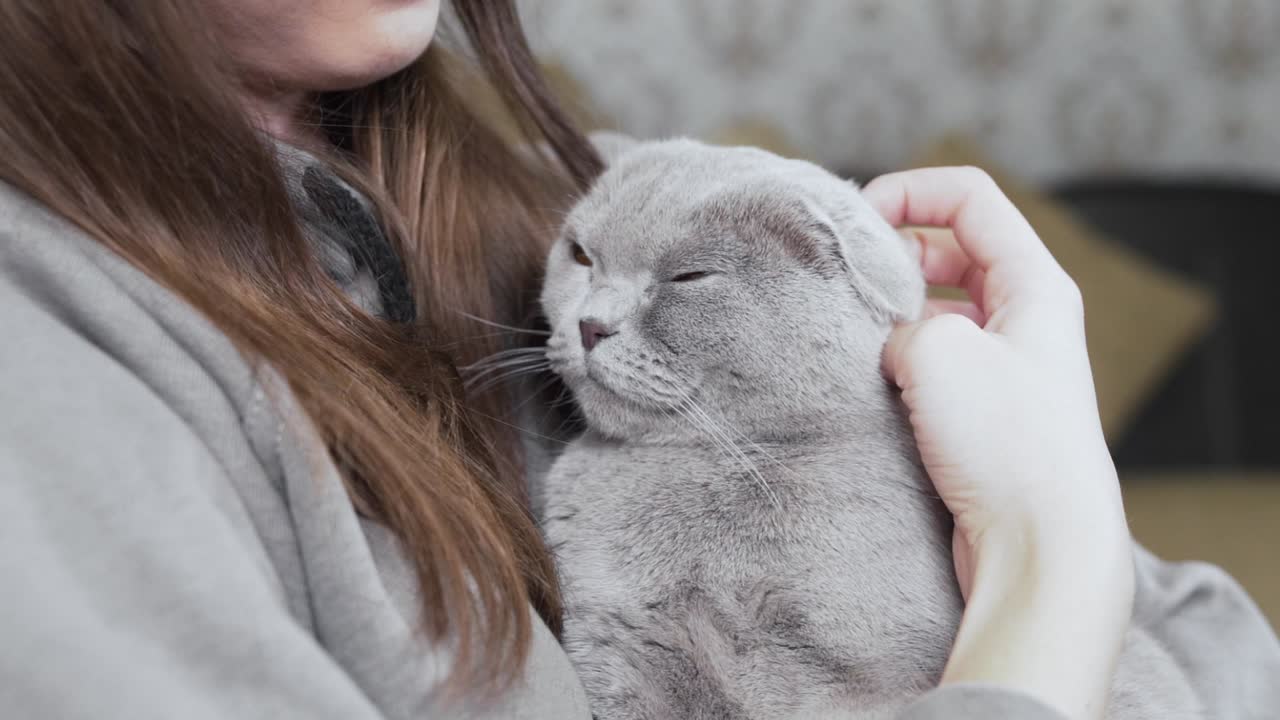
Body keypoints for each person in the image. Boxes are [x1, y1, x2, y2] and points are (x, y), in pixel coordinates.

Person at [0, 2, 1274, 719]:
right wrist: (1045, 572)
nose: (592, 317)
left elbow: (1221, 648)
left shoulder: (571, 194)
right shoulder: (53, 350)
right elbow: (1084, 603)